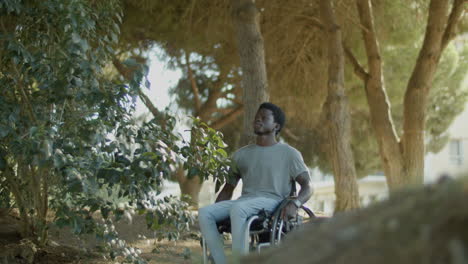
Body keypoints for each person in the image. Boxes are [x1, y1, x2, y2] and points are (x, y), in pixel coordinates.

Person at [198, 102, 313, 264]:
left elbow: (308, 186)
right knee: (205, 213)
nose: (257, 120)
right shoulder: (241, 155)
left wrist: (295, 204)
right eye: (256, 118)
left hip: (273, 203)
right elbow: (227, 189)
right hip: (246, 202)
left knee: (239, 208)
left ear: (276, 126)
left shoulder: (289, 154)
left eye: (264, 118)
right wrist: (218, 213)